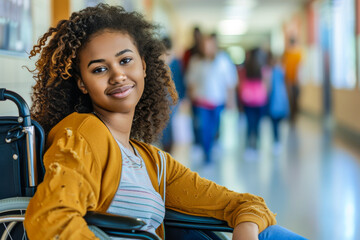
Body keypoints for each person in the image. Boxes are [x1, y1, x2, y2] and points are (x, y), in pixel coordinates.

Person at [24, 4, 307, 240]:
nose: (118, 75)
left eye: (125, 61)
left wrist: (246, 227)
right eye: (99, 69)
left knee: (267, 232)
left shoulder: (152, 161)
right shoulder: (84, 134)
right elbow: (51, 220)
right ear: (82, 84)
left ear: (144, 66)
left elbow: (244, 203)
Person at [185, 33, 237, 165]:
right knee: (203, 128)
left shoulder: (223, 60)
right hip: (201, 101)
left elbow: (230, 82)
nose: (207, 48)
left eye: (210, 45)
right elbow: (191, 81)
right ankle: (207, 156)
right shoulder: (196, 61)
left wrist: (231, 101)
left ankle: (212, 147)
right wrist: (190, 98)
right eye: (205, 45)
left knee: (214, 128)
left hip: (218, 101)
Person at [238, 48, 268, 154]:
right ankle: (256, 146)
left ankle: (248, 146)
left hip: (248, 100)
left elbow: (241, 84)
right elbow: (266, 84)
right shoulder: (262, 68)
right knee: (257, 125)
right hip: (259, 100)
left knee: (249, 124)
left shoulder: (245, 68)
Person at [266, 53, 290, 154]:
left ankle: (276, 141)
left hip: (275, 101)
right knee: (277, 123)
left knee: (275, 123)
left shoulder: (273, 73)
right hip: (278, 101)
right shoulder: (280, 72)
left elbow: (268, 87)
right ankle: (277, 141)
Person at [282, 37, 302, 125]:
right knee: (292, 99)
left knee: (293, 99)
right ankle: (292, 117)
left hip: (292, 81)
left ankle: (293, 117)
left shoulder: (293, 54)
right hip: (291, 81)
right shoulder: (292, 54)